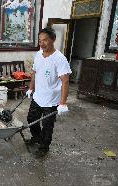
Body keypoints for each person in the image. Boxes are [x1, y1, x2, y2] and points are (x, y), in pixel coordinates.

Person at [25, 27, 71, 157]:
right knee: (31, 119)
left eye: (45, 40)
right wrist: (31, 88)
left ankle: (44, 147)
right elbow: (35, 73)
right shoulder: (38, 54)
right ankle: (37, 138)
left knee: (47, 126)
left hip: (51, 101)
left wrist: (62, 103)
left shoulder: (60, 59)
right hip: (38, 96)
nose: (42, 43)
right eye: (40, 40)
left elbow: (65, 81)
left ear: (53, 40)